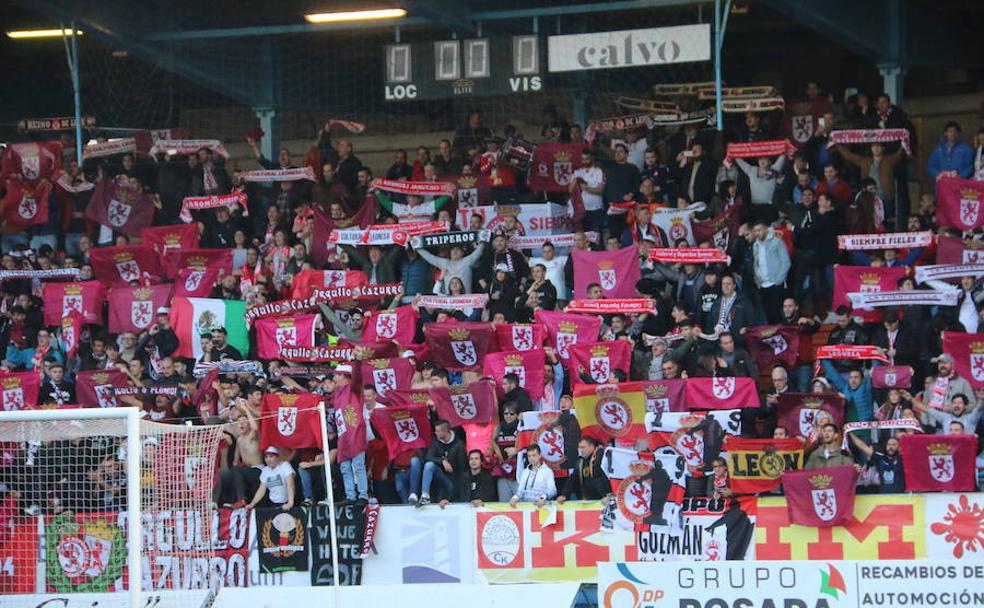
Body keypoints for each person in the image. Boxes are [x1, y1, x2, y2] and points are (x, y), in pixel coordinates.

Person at [419, 420, 466, 506]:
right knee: (429, 465)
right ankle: (425, 495)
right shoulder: (435, 442)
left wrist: (458, 489)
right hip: (440, 477)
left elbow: (462, 469)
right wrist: (442, 461)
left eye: (438, 431)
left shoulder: (459, 444)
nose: (435, 433)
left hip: (453, 481)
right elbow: (428, 457)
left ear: (445, 431)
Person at [557, 437, 608, 502]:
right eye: (579, 447)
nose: (581, 450)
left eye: (583, 447)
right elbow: (572, 478)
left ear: (592, 446)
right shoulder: (580, 461)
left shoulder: (602, 456)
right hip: (587, 500)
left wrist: (607, 495)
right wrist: (564, 494)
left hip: (603, 499)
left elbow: (606, 477)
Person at [246, 446, 295, 511]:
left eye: (271, 456)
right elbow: (261, 490)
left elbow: (290, 484)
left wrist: (290, 503)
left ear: (277, 457)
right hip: (272, 504)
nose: (268, 460)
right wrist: (252, 504)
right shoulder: (265, 470)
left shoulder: (285, 465)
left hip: (287, 502)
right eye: (266, 457)